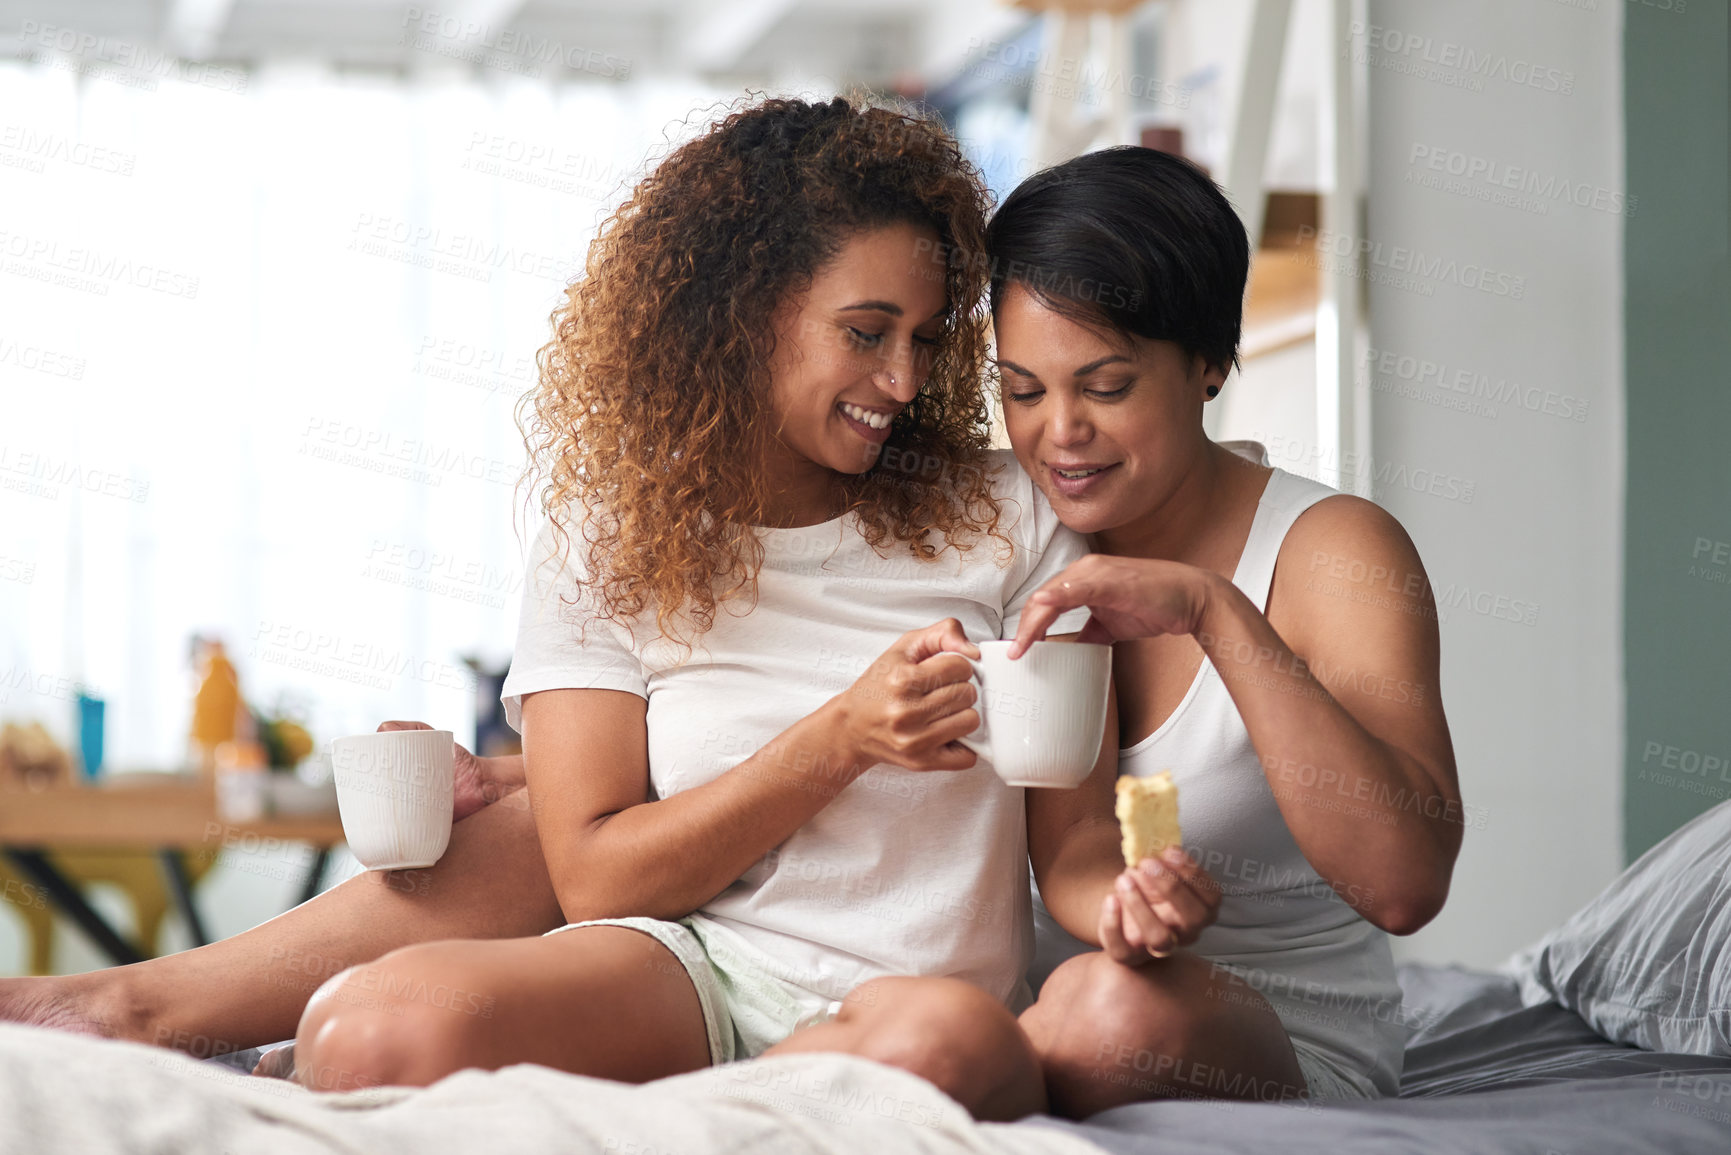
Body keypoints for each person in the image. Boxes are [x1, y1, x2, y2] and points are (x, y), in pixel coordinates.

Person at [0, 95, 1111, 1123]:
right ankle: (168, 1022)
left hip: (913, 998)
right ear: (744, 314)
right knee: (372, 1031)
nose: (908, 381)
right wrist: (842, 738)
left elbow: (1071, 810)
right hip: (691, 972)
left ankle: (681, 1128)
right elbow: (596, 876)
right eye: (866, 333)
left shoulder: (1006, 514)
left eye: (930, 336)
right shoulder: (615, 533)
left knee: (949, 1042)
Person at [985, 147, 1464, 1116]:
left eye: (1106, 386)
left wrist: (1213, 612)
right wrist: (1122, 906)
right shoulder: (1035, 548)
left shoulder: (1334, 552)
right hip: (1075, 995)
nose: (1058, 433)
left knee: (1100, 1016)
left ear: (1208, 362)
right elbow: (1073, 843)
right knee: (1072, 1004)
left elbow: (1404, 883)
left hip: (1285, 1033)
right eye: (1024, 391)